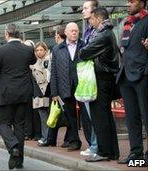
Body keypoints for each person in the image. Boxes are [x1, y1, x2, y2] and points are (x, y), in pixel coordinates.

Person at [0, 23, 36, 169]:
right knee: (19, 125)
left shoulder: (1, 51)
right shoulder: (28, 50)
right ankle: (18, 160)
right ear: (19, 35)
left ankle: (13, 147)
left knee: (2, 123)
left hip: (6, 94)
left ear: (6, 34)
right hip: (24, 93)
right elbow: (33, 61)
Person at [79, 7, 120, 162]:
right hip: (105, 78)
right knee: (105, 116)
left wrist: (84, 51)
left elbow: (83, 53)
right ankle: (111, 151)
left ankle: (103, 151)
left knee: (100, 117)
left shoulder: (103, 34)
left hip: (102, 79)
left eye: (91, 18)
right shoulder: (107, 33)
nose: (90, 21)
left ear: (97, 18)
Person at [116, 0, 148, 164]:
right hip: (126, 76)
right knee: (131, 117)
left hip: (142, 75)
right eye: (127, 1)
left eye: (132, 1)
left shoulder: (146, 21)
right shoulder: (126, 23)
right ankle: (136, 154)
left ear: (142, 3)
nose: (128, 4)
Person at [50, 22, 84, 152]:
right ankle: (75, 141)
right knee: (70, 116)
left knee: (85, 115)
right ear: (66, 33)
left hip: (82, 87)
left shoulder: (84, 45)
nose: (75, 33)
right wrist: (54, 92)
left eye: (76, 31)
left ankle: (92, 142)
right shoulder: (57, 49)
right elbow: (54, 72)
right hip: (65, 87)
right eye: (72, 31)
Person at [79, 0, 100, 158]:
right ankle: (94, 145)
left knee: (96, 114)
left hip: (96, 76)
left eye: (85, 8)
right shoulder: (87, 30)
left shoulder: (98, 31)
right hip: (87, 77)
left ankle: (97, 146)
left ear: (94, 11)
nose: (82, 11)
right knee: (90, 113)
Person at [31, 42, 52, 146]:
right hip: (38, 91)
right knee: (43, 116)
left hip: (47, 90)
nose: (39, 52)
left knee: (49, 116)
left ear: (45, 50)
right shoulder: (34, 64)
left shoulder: (48, 61)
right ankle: (45, 137)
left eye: (41, 50)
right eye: (37, 50)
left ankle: (47, 137)